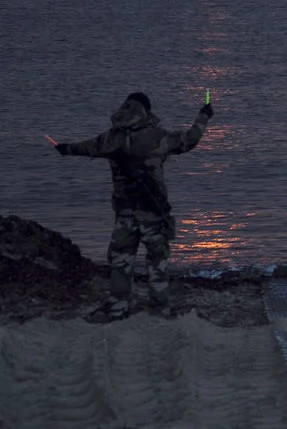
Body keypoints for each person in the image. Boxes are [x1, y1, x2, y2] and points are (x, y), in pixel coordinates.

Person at [55, 92, 213, 320]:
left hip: (124, 213)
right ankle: (160, 310)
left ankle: (118, 307)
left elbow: (84, 148)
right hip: (153, 213)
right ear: (146, 112)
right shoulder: (158, 137)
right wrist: (203, 116)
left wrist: (64, 148)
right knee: (157, 262)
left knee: (121, 262)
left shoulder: (110, 139)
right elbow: (190, 140)